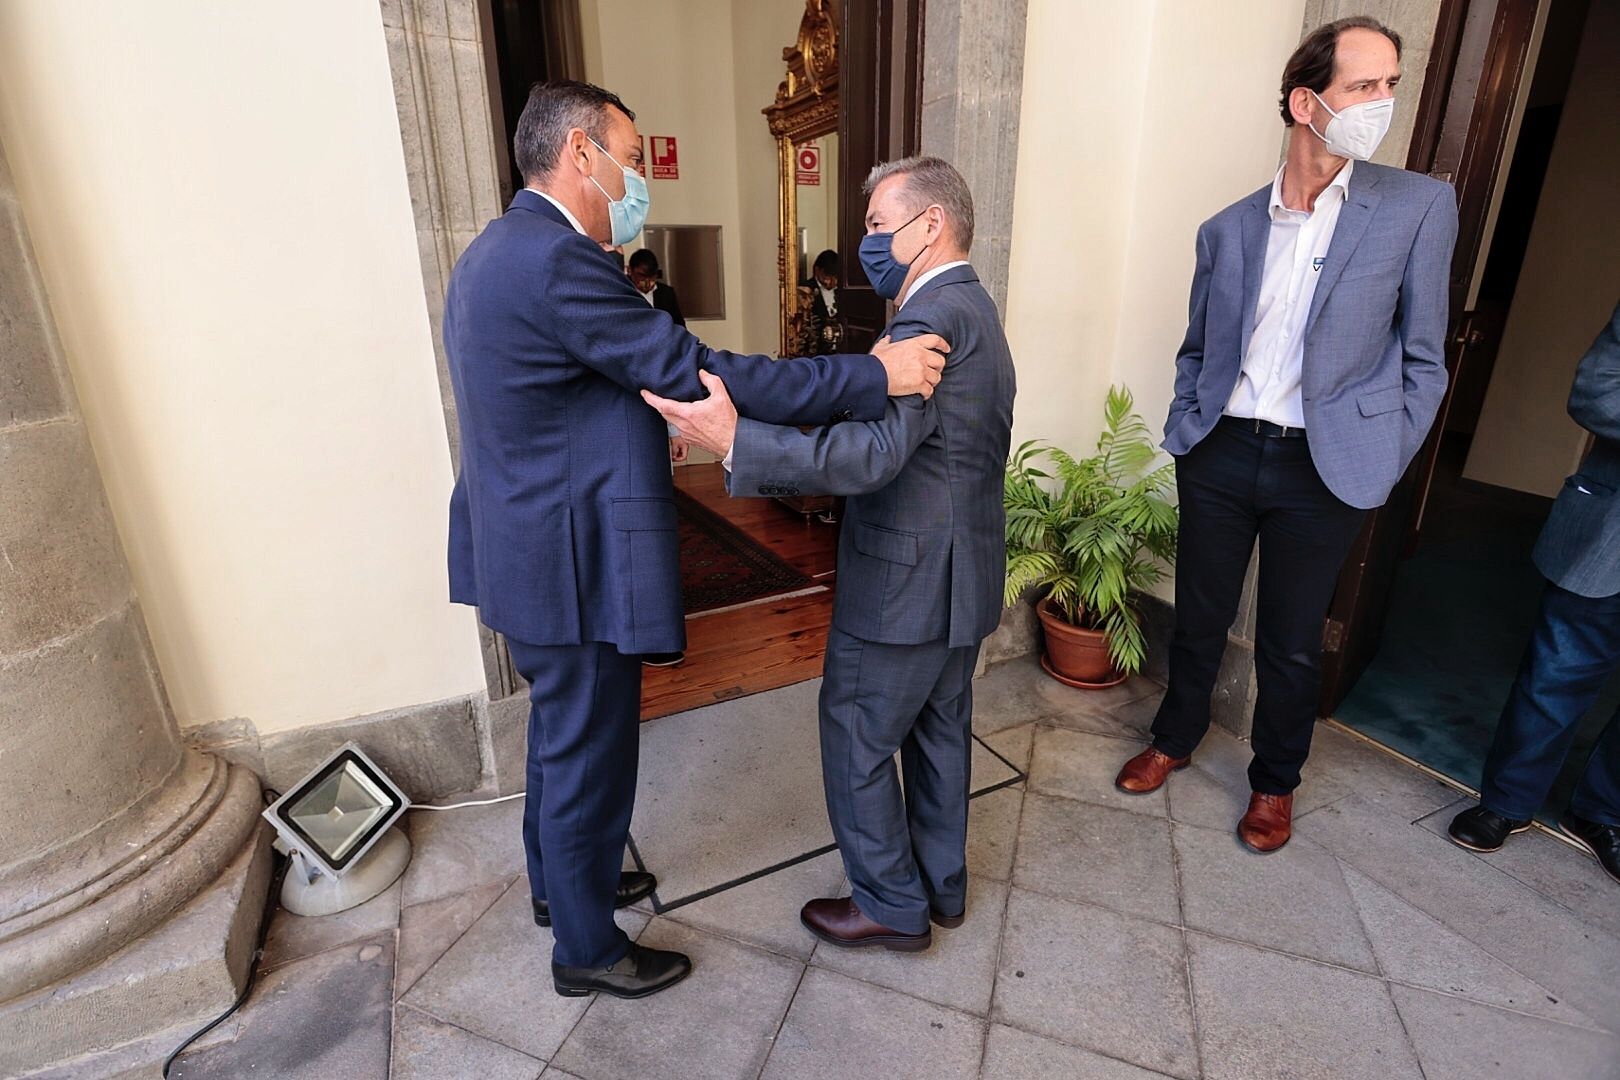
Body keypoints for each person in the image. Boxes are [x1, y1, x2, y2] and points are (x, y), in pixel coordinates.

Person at [443, 80, 948, 1000]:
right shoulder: (559, 259)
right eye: (631, 159)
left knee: (559, 739)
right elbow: (698, 371)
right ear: (582, 156)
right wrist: (871, 374)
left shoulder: (497, 248)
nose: (638, 178)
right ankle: (588, 948)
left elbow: (566, 397)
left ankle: (567, 890)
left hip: (524, 541)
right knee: (590, 749)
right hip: (571, 560)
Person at [645, 156, 1015, 950]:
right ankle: (941, 887)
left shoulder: (926, 322)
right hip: (964, 577)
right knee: (941, 733)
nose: (868, 243)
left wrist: (737, 441)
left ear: (931, 225)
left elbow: (874, 457)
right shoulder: (976, 307)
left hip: (905, 584)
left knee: (856, 732)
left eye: (880, 226)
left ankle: (888, 902)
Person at [1113, 16, 1458, 853]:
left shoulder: (1417, 207)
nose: (1384, 102)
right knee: (1198, 616)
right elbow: (1198, 347)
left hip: (1325, 465)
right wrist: (1187, 428)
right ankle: (1174, 738)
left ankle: (1275, 783)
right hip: (1224, 451)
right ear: (1308, 102)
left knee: (1293, 642)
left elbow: (1425, 358)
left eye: (1390, 84)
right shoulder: (1227, 229)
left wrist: (1383, 454)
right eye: (1364, 86)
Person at [1448, 302, 1620, 885]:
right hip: (1611, 532)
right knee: (1558, 672)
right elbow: (1596, 390)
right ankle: (1507, 803)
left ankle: (1602, 814)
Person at [795, 249, 845, 355]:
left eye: (835, 277)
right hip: (817, 351)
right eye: (827, 276)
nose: (831, 282)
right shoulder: (805, 289)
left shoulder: (843, 290)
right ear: (817, 270)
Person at [628, 247, 684, 326]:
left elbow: (678, 324)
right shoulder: (623, 292)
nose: (647, 281)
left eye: (651, 276)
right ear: (630, 271)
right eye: (642, 275)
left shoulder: (666, 293)